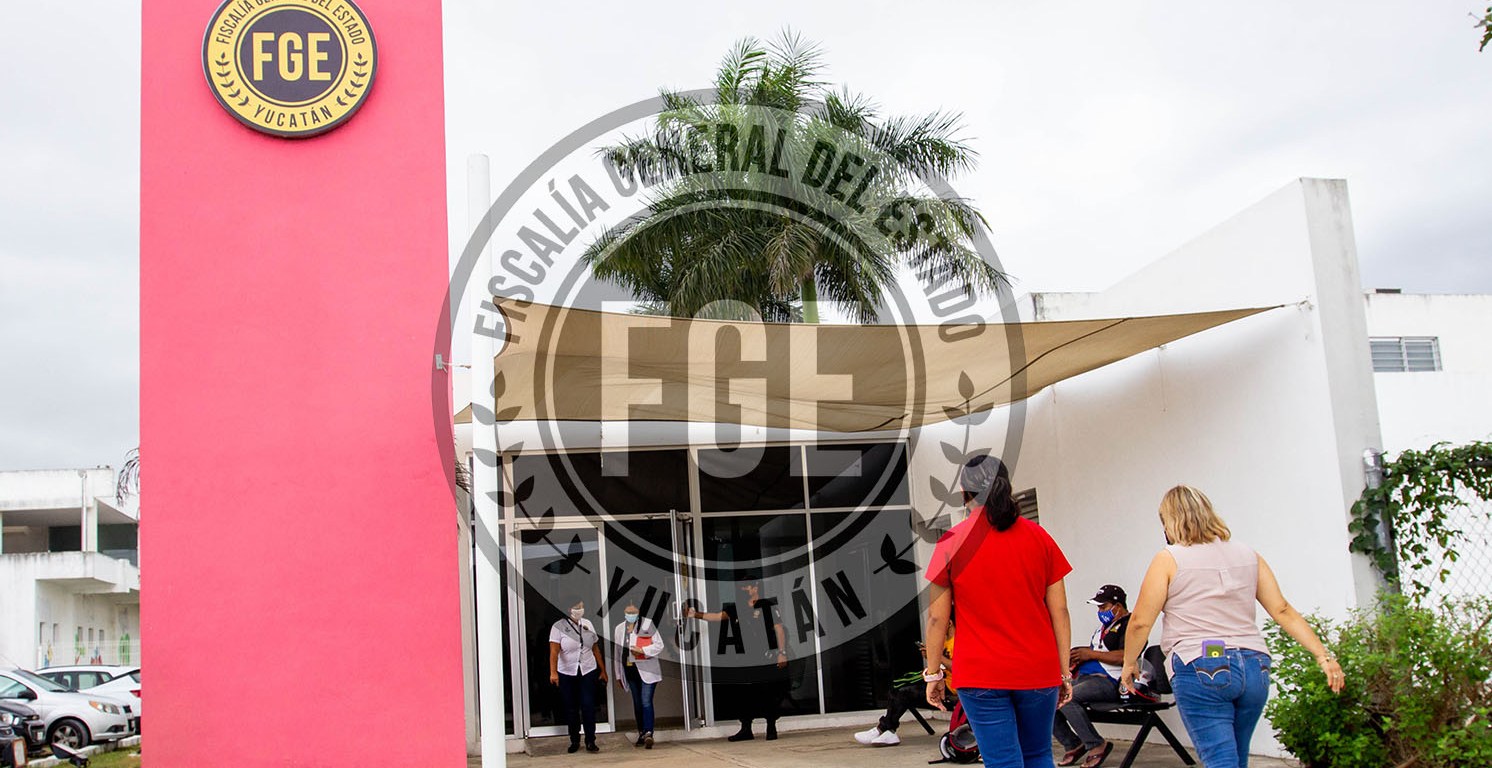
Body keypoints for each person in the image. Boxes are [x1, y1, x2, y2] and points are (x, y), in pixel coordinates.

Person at [1119, 486, 1345, 768]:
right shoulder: (1249, 554)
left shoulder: (1169, 559)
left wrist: (1129, 663)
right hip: (1254, 665)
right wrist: (1323, 656)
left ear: (1169, 521)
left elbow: (1141, 621)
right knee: (1236, 758)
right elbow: (1282, 609)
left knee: (1221, 761)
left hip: (1203, 660)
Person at [923, 454, 1074, 768]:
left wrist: (933, 673)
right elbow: (1059, 611)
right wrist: (1063, 672)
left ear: (964, 492)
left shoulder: (951, 542)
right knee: (1038, 755)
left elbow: (937, 617)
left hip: (980, 673)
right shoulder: (1040, 538)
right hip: (1037, 669)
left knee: (1002, 761)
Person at [685, 574, 788, 742]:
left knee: (767, 693)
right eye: (742, 587)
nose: (743, 589)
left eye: (746, 586)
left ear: (755, 587)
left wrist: (782, 652)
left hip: (765, 657)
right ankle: (746, 729)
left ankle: (771, 727)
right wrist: (695, 614)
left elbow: (779, 629)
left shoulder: (767, 605)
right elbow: (717, 617)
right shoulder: (736, 607)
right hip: (744, 659)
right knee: (744, 695)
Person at [1054, 584, 1132, 768]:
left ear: (1117, 606)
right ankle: (1073, 744)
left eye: (1103, 607)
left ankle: (1096, 744)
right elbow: (1097, 653)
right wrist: (1079, 655)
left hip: (1110, 681)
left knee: (1067, 698)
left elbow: (1125, 656)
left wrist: (1090, 654)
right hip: (1087, 678)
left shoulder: (1130, 625)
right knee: (1047, 697)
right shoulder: (1103, 628)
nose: (1100, 611)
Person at [853, 628, 955, 746]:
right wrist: (930, 656)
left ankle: (884, 729)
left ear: (949, 623)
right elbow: (941, 664)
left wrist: (936, 655)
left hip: (950, 689)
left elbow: (957, 667)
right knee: (897, 686)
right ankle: (885, 730)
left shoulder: (958, 642)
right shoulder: (944, 640)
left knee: (904, 693)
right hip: (939, 682)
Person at [549, 597, 607, 754]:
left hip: (587, 669)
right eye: (577, 607)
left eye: (582, 606)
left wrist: (603, 670)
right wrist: (553, 672)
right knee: (571, 707)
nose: (580, 609)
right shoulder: (558, 627)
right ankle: (574, 739)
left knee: (588, 705)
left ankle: (590, 740)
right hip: (567, 671)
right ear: (569, 609)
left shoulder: (587, 624)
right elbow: (554, 651)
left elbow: (595, 649)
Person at [611, 602, 665, 749]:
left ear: (639, 611)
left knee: (646, 701)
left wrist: (643, 650)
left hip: (647, 670)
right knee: (637, 703)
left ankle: (649, 733)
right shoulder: (619, 628)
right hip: (630, 671)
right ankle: (641, 732)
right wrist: (618, 674)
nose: (631, 614)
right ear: (624, 612)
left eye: (633, 611)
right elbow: (617, 653)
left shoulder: (647, 624)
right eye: (628, 612)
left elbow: (659, 645)